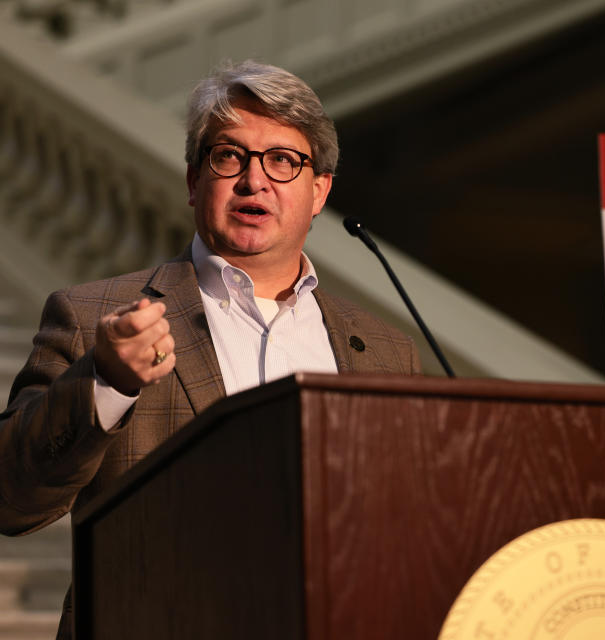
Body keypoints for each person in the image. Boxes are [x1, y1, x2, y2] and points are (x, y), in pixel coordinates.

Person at [0, 60, 420, 638]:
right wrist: (106, 382)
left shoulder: (385, 352)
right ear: (194, 181)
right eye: (230, 156)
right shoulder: (94, 318)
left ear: (319, 190)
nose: (255, 181)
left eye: (283, 160)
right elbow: (12, 499)